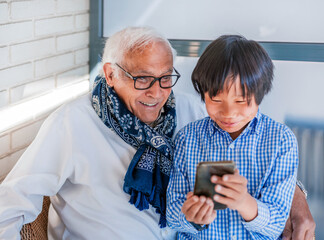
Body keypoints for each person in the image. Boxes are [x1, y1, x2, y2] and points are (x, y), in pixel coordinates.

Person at [0, 27, 315, 240]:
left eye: (166, 78)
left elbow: (253, 136)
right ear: (110, 74)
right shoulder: (70, 124)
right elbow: (11, 203)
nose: (157, 93)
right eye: (143, 78)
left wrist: (295, 197)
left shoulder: (191, 112)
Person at [166, 35, 308, 239]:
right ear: (202, 93)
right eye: (215, 99)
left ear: (260, 94)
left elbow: (278, 223)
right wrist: (190, 217)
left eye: (241, 101)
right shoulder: (187, 139)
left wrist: (245, 203)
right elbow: (172, 213)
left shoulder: (280, 141)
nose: (228, 112)